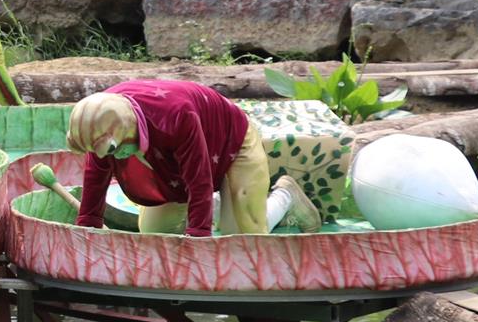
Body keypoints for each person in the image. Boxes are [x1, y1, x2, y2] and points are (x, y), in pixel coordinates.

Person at [66, 79, 321, 237]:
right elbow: (96, 176)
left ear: (128, 129)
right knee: (155, 233)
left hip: (230, 140)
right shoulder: (99, 120)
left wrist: (198, 235)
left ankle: (285, 196)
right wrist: (88, 227)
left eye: (115, 150)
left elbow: (199, 179)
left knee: (243, 236)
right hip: (173, 161)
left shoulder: (176, 116)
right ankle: (221, 205)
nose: (113, 157)